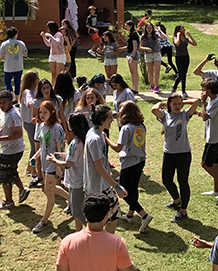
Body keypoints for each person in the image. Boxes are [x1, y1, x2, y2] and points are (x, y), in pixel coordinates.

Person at [151, 92, 200, 223]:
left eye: (179, 104)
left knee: (182, 181)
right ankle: (177, 200)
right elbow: (153, 110)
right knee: (166, 180)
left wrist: (183, 102)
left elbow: (196, 102)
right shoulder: (165, 116)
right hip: (168, 153)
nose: (178, 106)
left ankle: (183, 210)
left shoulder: (185, 115)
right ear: (169, 104)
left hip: (183, 154)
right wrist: (161, 103)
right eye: (175, 104)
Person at [106, 100, 153, 233]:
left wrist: (106, 139)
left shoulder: (126, 128)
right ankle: (130, 215)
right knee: (133, 188)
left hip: (129, 162)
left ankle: (144, 215)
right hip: (140, 160)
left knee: (122, 190)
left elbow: (118, 148)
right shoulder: (141, 125)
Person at [84, 105, 126, 234]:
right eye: (109, 118)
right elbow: (100, 168)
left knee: (109, 217)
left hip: (99, 186)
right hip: (100, 188)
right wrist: (117, 187)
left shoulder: (95, 133)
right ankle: (106, 241)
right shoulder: (95, 139)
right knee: (107, 218)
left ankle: (104, 241)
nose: (112, 120)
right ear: (102, 120)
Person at [0, 90, 29, 210]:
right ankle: (22, 190)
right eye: (0, 103)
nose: (1, 105)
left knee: (4, 175)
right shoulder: (6, 113)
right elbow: (7, 125)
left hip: (12, 150)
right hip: (10, 149)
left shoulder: (13, 115)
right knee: (11, 170)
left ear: (10, 101)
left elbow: (18, 134)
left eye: (4, 103)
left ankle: (8, 201)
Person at [35, 101, 69, 233]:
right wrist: (35, 157)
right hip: (45, 164)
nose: (42, 115)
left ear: (52, 112)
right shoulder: (42, 126)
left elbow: (60, 149)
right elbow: (43, 145)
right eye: (40, 112)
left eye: (45, 112)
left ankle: (44, 221)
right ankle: (73, 201)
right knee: (50, 188)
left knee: (49, 192)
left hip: (53, 164)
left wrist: (59, 168)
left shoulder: (57, 128)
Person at [52, 112, 88, 231]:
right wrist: (62, 155)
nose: (67, 123)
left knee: (76, 211)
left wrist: (54, 161)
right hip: (83, 179)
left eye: (69, 122)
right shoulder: (84, 140)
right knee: (79, 209)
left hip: (77, 181)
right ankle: (79, 231)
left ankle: (94, 231)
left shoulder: (75, 143)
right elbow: (75, 156)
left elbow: (68, 165)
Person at [198, 78, 218, 199]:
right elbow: (206, 115)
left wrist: (202, 103)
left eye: (203, 89)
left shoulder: (216, 102)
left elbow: (205, 117)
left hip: (213, 139)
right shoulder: (212, 101)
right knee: (215, 165)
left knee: (205, 164)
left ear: (209, 90)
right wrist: (198, 112)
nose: (202, 91)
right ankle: (216, 190)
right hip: (212, 137)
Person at [19, 70, 40, 182]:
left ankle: (28, 168)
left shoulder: (34, 90)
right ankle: (33, 170)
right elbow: (30, 102)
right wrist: (36, 103)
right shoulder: (27, 92)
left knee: (35, 145)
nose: (38, 80)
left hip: (32, 122)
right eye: (37, 78)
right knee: (34, 146)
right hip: (29, 122)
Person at [0, 27, 28, 99]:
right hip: (18, 66)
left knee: (7, 83)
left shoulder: (4, 44)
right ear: (16, 34)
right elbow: (25, 54)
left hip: (8, 67)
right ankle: (17, 99)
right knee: (17, 83)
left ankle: (11, 96)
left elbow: (1, 56)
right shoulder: (21, 43)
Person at [139, 22, 166, 93]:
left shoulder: (156, 35)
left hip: (156, 54)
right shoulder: (143, 36)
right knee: (150, 72)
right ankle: (151, 86)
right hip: (148, 55)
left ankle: (156, 86)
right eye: (148, 28)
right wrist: (146, 48)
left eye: (150, 28)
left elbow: (164, 37)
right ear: (146, 29)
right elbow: (141, 46)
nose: (149, 29)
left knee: (157, 71)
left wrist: (159, 30)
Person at [171, 25, 197, 97]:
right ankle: (174, 88)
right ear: (179, 30)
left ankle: (183, 90)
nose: (184, 29)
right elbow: (177, 44)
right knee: (180, 74)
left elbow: (195, 44)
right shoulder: (175, 38)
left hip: (186, 57)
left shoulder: (186, 38)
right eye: (182, 28)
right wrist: (178, 36)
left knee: (184, 74)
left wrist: (190, 36)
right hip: (179, 57)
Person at [41, 21, 66, 86]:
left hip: (60, 56)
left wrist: (50, 36)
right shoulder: (53, 35)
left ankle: (58, 88)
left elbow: (57, 42)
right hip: (52, 55)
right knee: (53, 74)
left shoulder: (58, 35)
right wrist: (44, 37)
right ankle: (53, 86)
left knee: (59, 74)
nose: (47, 30)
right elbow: (48, 44)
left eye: (48, 28)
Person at [124, 20, 140, 93]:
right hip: (129, 53)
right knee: (132, 72)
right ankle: (133, 88)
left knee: (134, 72)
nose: (125, 27)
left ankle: (135, 88)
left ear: (131, 26)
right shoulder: (130, 34)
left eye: (126, 26)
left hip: (133, 54)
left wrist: (132, 57)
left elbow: (135, 47)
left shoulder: (134, 34)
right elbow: (129, 46)